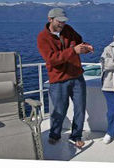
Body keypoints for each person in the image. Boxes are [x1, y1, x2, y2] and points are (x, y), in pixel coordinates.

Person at [37, 8, 94, 148]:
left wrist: (86, 47)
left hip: (77, 77)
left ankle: (76, 135)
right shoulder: (42, 37)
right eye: (59, 21)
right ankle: (54, 134)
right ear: (50, 19)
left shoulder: (68, 29)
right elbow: (52, 59)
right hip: (58, 80)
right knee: (59, 110)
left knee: (80, 108)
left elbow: (79, 41)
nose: (62, 24)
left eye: (63, 21)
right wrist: (73, 51)